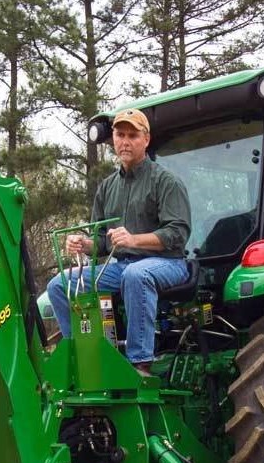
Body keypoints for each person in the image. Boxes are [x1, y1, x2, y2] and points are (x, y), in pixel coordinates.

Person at [46, 108, 191, 375]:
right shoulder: (107, 187)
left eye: (132, 135)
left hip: (168, 263)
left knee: (136, 275)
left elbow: (178, 234)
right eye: (120, 134)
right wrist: (82, 244)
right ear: (113, 139)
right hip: (122, 266)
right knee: (59, 285)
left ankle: (139, 364)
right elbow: (101, 242)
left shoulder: (165, 182)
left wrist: (134, 239)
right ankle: (83, 359)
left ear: (146, 139)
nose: (125, 141)